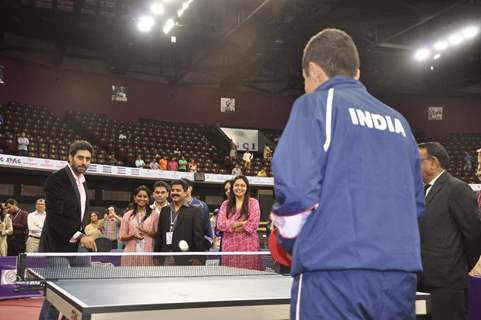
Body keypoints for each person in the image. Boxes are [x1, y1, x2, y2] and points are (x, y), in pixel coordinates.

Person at [270, 28, 424, 319]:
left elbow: (296, 190)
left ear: (313, 71)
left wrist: (286, 242)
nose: (305, 87)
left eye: (304, 80)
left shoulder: (316, 104)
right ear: (357, 72)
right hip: (399, 279)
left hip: (332, 275)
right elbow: (416, 205)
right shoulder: (400, 123)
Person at [418, 142, 481, 320]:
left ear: (433, 162)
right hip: (424, 280)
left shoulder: (457, 188)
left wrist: (459, 266)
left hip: (447, 284)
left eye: (418, 160)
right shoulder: (423, 191)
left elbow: (474, 234)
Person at [39, 140, 97, 320]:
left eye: (88, 159)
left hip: (76, 245)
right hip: (56, 244)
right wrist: (81, 237)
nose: (84, 162)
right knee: (58, 293)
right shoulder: (56, 179)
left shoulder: (83, 181)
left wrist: (84, 235)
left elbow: (79, 213)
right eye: (80, 158)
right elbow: (55, 217)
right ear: (70, 157)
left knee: (83, 287)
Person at [154, 180, 206, 265]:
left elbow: (198, 236)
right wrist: (156, 256)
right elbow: (160, 235)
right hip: (166, 256)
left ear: (185, 193)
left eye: (178, 190)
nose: (174, 192)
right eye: (173, 190)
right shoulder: (165, 210)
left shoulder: (195, 211)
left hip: (186, 258)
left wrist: (198, 258)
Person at [217, 175, 262, 270]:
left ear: (247, 188)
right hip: (229, 246)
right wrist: (242, 223)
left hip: (249, 246)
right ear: (232, 187)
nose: (239, 188)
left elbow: (253, 225)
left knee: (249, 275)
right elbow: (220, 224)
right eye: (236, 185)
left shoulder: (253, 202)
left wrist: (230, 225)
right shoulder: (225, 204)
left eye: (242, 185)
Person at [119, 185, 159, 266]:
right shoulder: (127, 215)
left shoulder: (155, 215)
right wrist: (133, 235)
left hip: (148, 254)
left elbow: (158, 235)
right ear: (135, 198)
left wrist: (146, 231)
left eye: (145, 196)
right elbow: (122, 236)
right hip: (130, 254)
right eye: (139, 196)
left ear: (148, 199)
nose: (142, 198)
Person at [181, 178, 213, 250]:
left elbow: (207, 227)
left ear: (190, 188)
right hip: (179, 246)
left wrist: (205, 246)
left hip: (197, 247)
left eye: (184, 187)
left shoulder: (202, 205)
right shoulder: (175, 206)